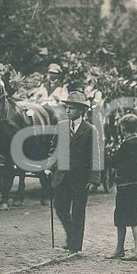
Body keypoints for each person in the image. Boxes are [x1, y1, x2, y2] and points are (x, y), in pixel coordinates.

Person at [46, 91, 102, 254]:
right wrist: (50, 166)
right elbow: (54, 149)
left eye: (71, 108)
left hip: (80, 178)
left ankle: (75, 246)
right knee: (60, 208)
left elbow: (95, 155)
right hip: (61, 176)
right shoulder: (61, 126)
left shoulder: (90, 130)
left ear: (81, 111)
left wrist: (94, 179)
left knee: (78, 212)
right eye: (67, 108)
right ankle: (71, 235)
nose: (68, 111)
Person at [105, 114, 137, 261]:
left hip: (126, 185)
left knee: (125, 218)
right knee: (128, 217)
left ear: (123, 128)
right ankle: (128, 249)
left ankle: (134, 251)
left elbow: (116, 162)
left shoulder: (128, 143)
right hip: (135, 184)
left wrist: (108, 156)